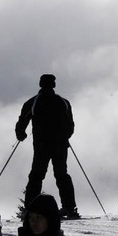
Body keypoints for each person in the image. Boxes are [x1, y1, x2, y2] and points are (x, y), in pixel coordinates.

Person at [15, 74, 80, 219]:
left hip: (41, 146)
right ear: (54, 85)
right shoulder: (64, 102)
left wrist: (21, 134)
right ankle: (69, 207)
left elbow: (22, 121)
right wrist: (65, 137)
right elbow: (71, 125)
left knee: (36, 176)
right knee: (62, 175)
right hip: (60, 146)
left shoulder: (33, 102)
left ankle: (30, 209)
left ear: (40, 84)